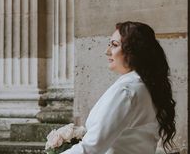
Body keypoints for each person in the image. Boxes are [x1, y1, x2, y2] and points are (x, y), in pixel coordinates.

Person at [62, 21, 176, 154]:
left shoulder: (127, 91)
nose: (107, 51)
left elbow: (91, 148)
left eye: (114, 45)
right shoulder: (145, 86)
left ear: (134, 50)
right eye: (109, 44)